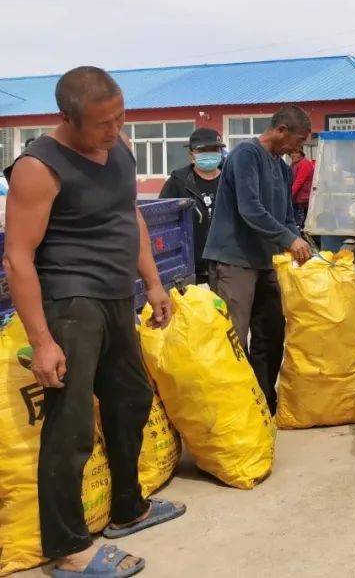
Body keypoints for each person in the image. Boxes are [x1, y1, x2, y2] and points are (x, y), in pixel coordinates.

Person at [2, 67, 185, 577]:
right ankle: (68, 547)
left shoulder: (119, 147)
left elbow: (130, 216)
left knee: (131, 399)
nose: (115, 130)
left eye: (120, 118)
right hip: (69, 304)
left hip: (115, 296)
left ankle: (128, 508)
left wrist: (152, 282)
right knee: (71, 424)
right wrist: (42, 341)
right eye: (103, 123)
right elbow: (18, 258)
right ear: (66, 118)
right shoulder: (39, 167)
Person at [203, 105, 313, 414]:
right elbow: (249, 209)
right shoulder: (245, 156)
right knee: (234, 337)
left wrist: (298, 241)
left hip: (268, 262)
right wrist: (287, 238)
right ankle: (235, 408)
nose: (299, 148)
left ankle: (263, 400)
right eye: (299, 140)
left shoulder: (282, 167)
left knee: (272, 333)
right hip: (235, 260)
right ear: (281, 131)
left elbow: (287, 217)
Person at [159, 128, 225, 284]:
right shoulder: (178, 181)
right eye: (202, 150)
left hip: (225, 268)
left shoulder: (230, 179)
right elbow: (162, 219)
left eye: (214, 149)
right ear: (191, 154)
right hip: (188, 268)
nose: (209, 153)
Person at [289, 147, 314, 231]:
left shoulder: (304, 164)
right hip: (297, 199)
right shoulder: (294, 164)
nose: (292, 155)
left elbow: (298, 182)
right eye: (291, 153)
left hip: (302, 200)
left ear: (300, 154)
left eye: (295, 152)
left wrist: (288, 195)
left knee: (299, 225)